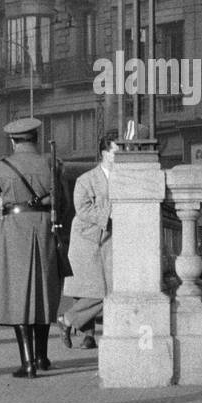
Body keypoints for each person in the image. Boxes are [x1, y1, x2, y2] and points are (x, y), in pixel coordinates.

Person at [0, 117, 68, 378]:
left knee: (18, 295)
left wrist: (3, 208)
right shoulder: (51, 163)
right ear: (36, 138)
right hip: (44, 231)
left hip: (14, 232)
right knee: (44, 291)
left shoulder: (0, 167)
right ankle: (42, 357)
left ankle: (28, 363)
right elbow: (62, 204)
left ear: (12, 140)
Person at [57, 134, 118, 351]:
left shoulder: (124, 177)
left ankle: (68, 322)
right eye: (115, 152)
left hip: (109, 240)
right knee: (94, 290)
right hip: (86, 240)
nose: (119, 156)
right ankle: (76, 326)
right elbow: (82, 209)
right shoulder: (86, 180)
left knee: (110, 289)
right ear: (104, 154)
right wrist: (111, 213)